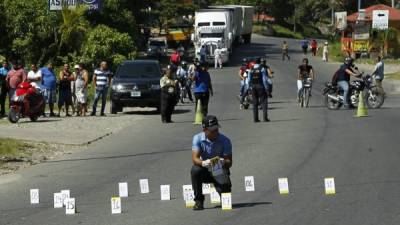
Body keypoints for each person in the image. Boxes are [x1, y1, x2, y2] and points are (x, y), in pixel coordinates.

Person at [191, 115, 232, 210]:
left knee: (225, 188)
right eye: (212, 130)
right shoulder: (197, 138)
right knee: (195, 170)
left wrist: (223, 162)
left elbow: (229, 162)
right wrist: (203, 163)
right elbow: (194, 159)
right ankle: (198, 201)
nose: (215, 132)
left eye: (216, 129)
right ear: (204, 130)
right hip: (205, 168)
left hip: (218, 167)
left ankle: (222, 193)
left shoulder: (225, 140)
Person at [248, 58, 269, 122]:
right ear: (260, 62)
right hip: (260, 86)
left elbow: (249, 80)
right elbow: (264, 80)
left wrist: (249, 88)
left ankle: (255, 118)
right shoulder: (261, 69)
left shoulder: (251, 69)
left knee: (255, 103)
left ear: (254, 63)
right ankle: (265, 118)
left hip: (253, 87)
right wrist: (266, 88)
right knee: (264, 102)